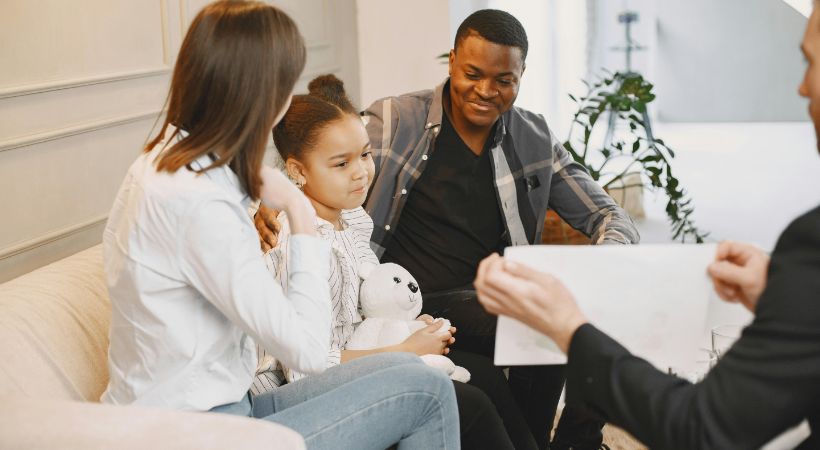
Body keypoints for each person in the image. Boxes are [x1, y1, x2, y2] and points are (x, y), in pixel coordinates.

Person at [101, 2, 459, 449]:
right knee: (428, 392)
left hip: (222, 406)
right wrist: (297, 208)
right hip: (196, 431)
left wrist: (259, 192)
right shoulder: (198, 202)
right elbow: (307, 351)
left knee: (409, 370)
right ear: (260, 94)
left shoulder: (166, 158)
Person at [473, 5, 820, 448]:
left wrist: (570, 328)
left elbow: (702, 427)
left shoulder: (533, 136)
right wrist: (787, 293)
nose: (802, 85)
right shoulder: (401, 125)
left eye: (811, 62)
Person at [363, 9, 639, 450]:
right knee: (540, 328)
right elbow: (317, 158)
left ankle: (569, 442)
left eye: (504, 80)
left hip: (490, 303)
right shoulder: (396, 121)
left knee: (577, 325)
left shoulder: (532, 136)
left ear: (521, 74)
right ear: (452, 61)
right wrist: (271, 206)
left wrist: (604, 264)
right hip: (410, 302)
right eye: (472, 73)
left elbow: (609, 215)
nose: (485, 91)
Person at [254, 73, 538, 450]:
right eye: (341, 164)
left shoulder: (350, 217)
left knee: (484, 374)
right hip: (296, 392)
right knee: (467, 403)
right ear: (298, 171)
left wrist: (407, 326)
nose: (361, 172)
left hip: (351, 357)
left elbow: (358, 309)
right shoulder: (296, 239)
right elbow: (304, 367)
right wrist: (406, 352)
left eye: (366, 155)